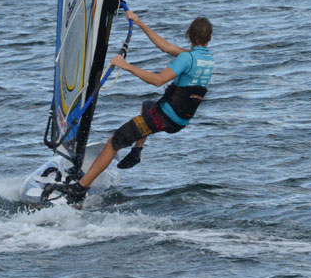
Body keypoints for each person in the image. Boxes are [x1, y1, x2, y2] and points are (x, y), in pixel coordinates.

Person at [61, 12, 214, 204]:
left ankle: (79, 189)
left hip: (163, 117)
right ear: (209, 38)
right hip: (180, 121)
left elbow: (158, 81)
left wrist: (125, 66)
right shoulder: (207, 59)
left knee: (114, 142)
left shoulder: (186, 59)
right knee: (147, 105)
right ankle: (136, 152)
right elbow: (165, 47)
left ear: (189, 35)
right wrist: (139, 23)